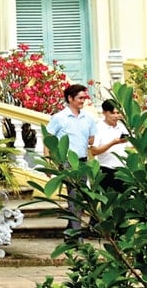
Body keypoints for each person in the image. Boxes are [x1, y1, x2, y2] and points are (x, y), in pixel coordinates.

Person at [45, 83, 97, 235]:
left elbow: (92, 140)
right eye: (80, 98)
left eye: (84, 98)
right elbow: (48, 140)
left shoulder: (89, 118)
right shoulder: (59, 118)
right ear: (70, 98)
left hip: (82, 162)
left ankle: (70, 231)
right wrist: (48, 161)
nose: (83, 101)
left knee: (78, 197)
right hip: (66, 162)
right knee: (75, 198)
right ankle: (77, 235)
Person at [90, 98, 130, 194]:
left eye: (117, 113)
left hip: (122, 169)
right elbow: (94, 151)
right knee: (107, 202)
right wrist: (112, 143)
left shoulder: (122, 127)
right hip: (106, 170)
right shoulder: (98, 128)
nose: (115, 116)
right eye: (112, 113)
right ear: (104, 112)